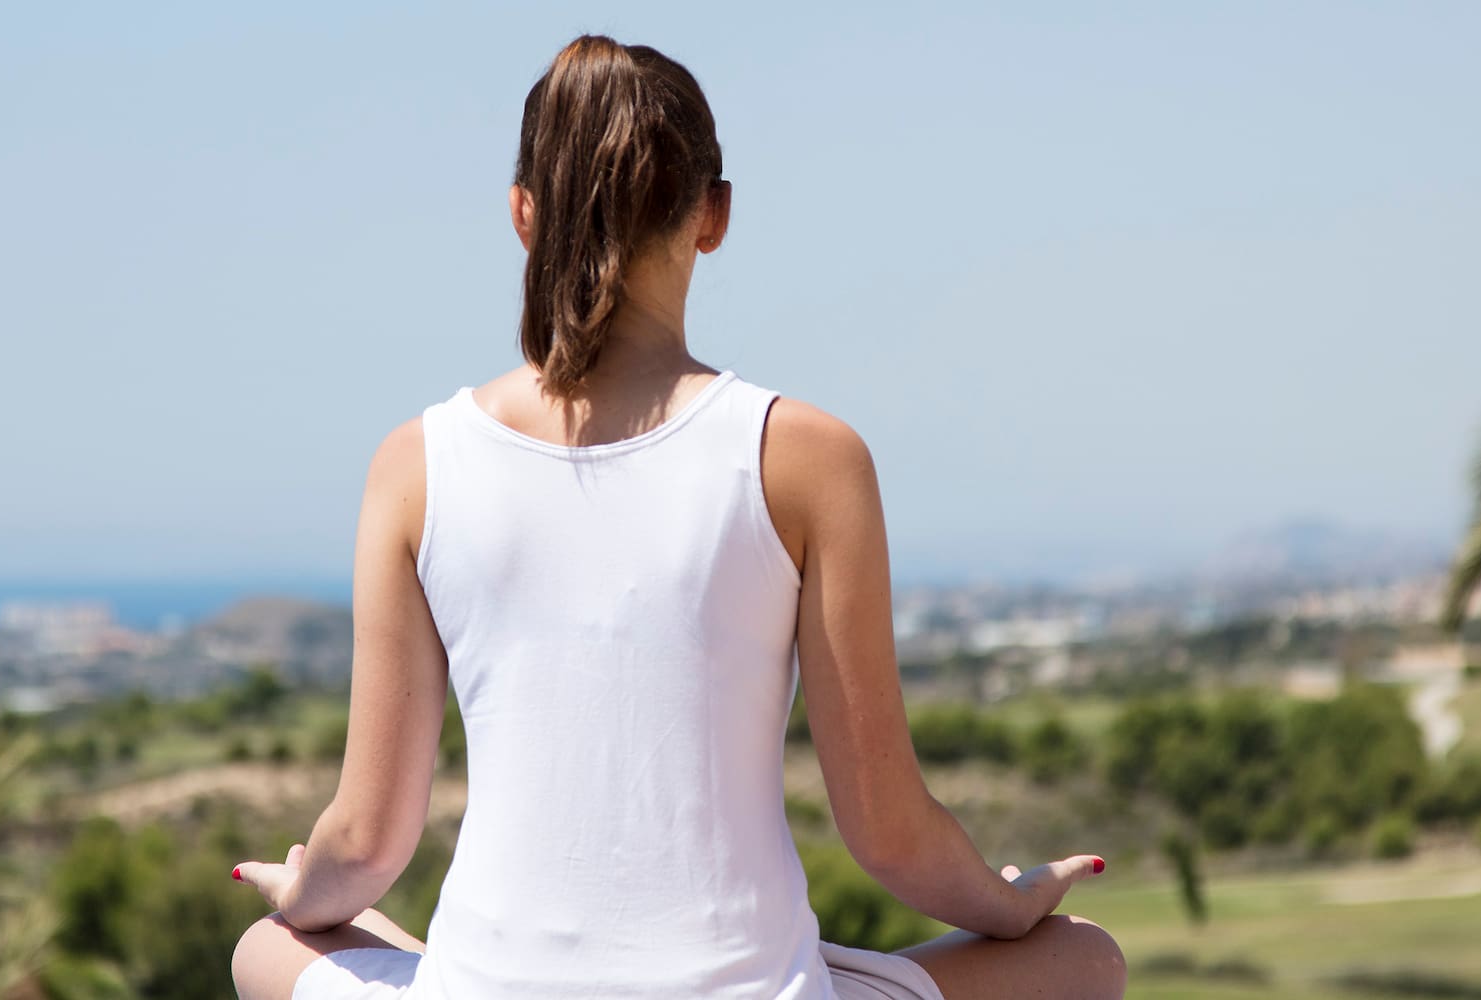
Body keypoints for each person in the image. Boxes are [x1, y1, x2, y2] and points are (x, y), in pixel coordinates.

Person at [228, 32, 1126, 1000]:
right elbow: (889, 835)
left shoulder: (415, 463)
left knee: (271, 947)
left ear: (522, 214)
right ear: (712, 214)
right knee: (1083, 958)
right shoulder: (807, 456)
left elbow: (364, 841)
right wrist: (1011, 903)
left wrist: (303, 890)